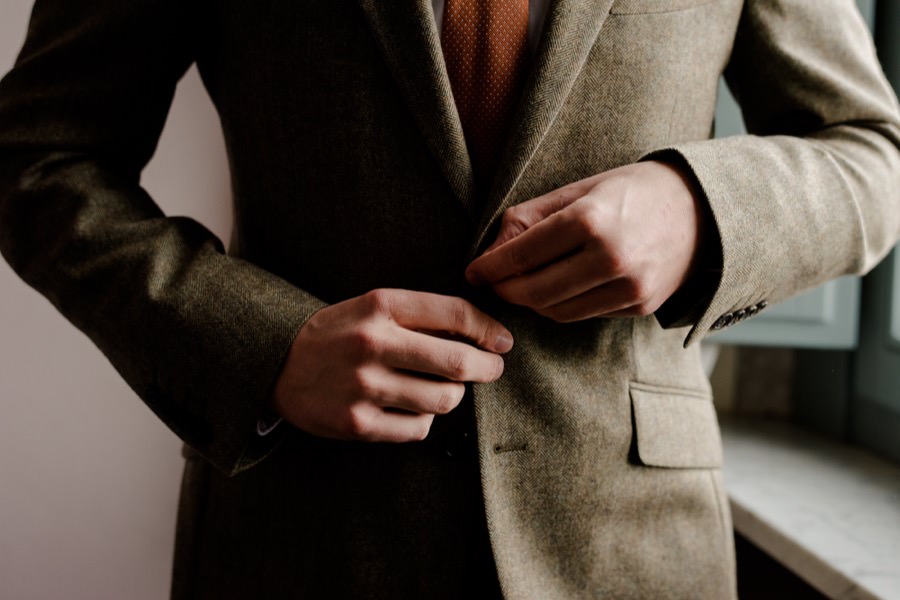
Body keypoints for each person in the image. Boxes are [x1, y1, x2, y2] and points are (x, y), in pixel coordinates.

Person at [0, 0, 897, 598]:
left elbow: (871, 153)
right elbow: (33, 155)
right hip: (301, 540)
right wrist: (262, 346)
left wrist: (701, 211)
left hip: (630, 551)